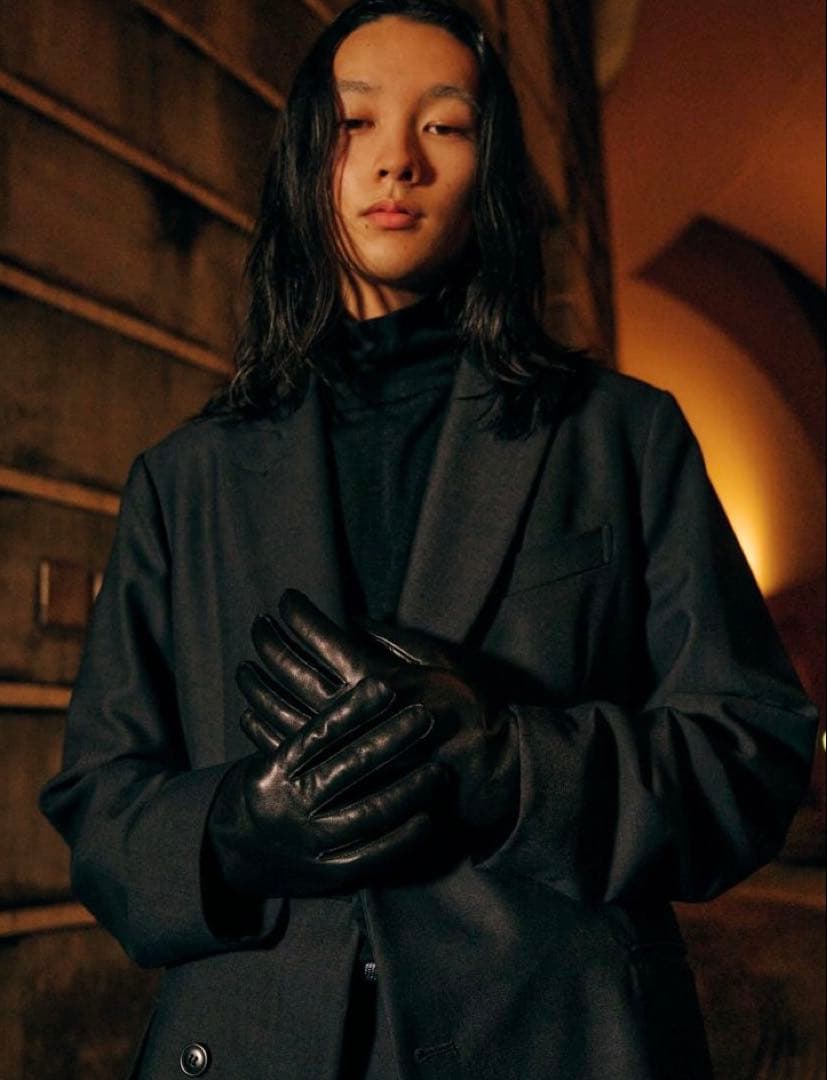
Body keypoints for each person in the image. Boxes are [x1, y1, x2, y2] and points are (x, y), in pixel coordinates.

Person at [39, 2, 817, 1078]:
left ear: (489, 170)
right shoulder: (186, 480)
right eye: (354, 123)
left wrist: (511, 766)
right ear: (306, 159)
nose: (396, 160)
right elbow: (101, 804)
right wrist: (233, 830)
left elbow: (749, 751)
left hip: (553, 1035)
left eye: (444, 125)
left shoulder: (619, 437)